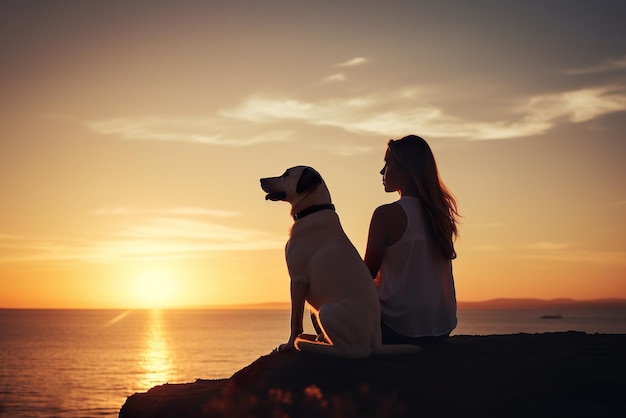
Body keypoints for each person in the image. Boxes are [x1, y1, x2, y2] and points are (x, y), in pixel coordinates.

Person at [364, 134, 460, 345]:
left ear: (406, 170)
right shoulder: (440, 214)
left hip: (397, 329)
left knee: (325, 305)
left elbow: (364, 276)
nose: (382, 171)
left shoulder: (386, 214)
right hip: (439, 329)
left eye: (387, 164)